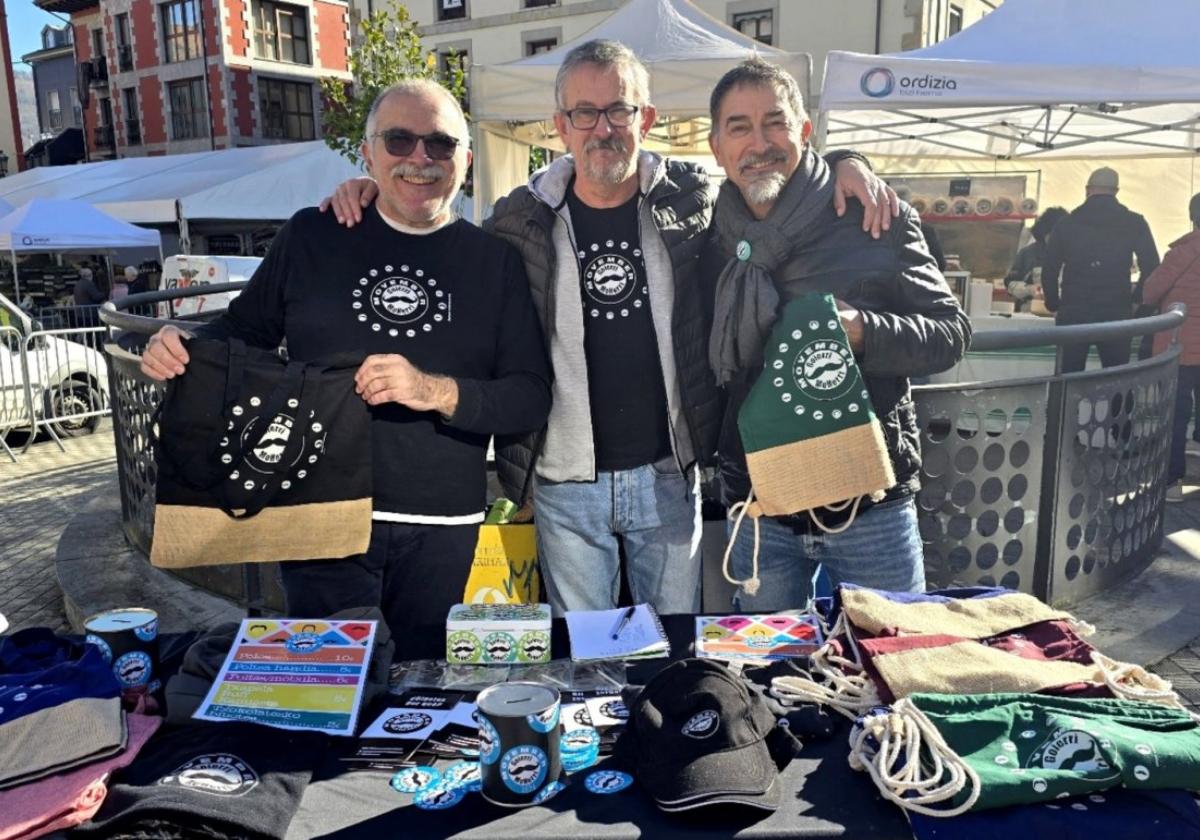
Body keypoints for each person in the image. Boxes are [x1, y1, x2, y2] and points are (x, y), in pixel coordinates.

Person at [323, 40, 898, 616]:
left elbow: (772, 176)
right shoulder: (520, 219)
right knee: (585, 659)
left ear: (644, 119)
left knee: (672, 648)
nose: (604, 128)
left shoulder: (693, 201)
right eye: (585, 113)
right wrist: (370, 193)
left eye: (619, 110)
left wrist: (849, 161)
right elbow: (431, 223)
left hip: (669, 476)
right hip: (564, 484)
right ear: (561, 126)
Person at [139, 79, 552, 655]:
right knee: (324, 692)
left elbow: (529, 395)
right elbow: (242, 332)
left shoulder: (494, 262)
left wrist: (432, 390)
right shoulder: (313, 234)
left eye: (439, 144)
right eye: (399, 140)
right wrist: (179, 344)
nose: (419, 159)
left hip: (442, 526)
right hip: (317, 514)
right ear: (368, 152)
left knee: (419, 697)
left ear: (464, 158)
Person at [705, 58, 970, 611]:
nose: (760, 142)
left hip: (868, 506)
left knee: (894, 667)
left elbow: (950, 333)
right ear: (717, 148)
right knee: (766, 679)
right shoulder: (714, 238)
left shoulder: (873, 215)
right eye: (740, 127)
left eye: (775, 123)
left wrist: (865, 332)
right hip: (760, 506)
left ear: (805, 131)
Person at [1042, 168, 1159, 372]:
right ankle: (1118, 406)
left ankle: (1065, 405)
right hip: (1116, 309)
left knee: (1067, 376)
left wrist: (1053, 303)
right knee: (1117, 377)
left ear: (1087, 190)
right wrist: (1136, 301)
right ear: (1116, 191)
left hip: (1074, 309)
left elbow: (1049, 268)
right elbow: (1151, 266)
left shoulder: (1067, 223)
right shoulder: (1134, 222)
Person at [1143, 192, 1200, 503]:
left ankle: (1173, 481)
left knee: (1177, 414)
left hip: (1181, 346)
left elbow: (1151, 292)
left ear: (1192, 216)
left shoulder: (1183, 252)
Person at [1004, 206, 1068, 312]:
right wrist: (1029, 289)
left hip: (1065, 313)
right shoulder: (1029, 253)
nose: (1056, 240)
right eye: (1052, 235)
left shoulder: (1075, 254)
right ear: (1043, 233)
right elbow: (1009, 283)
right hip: (1031, 313)